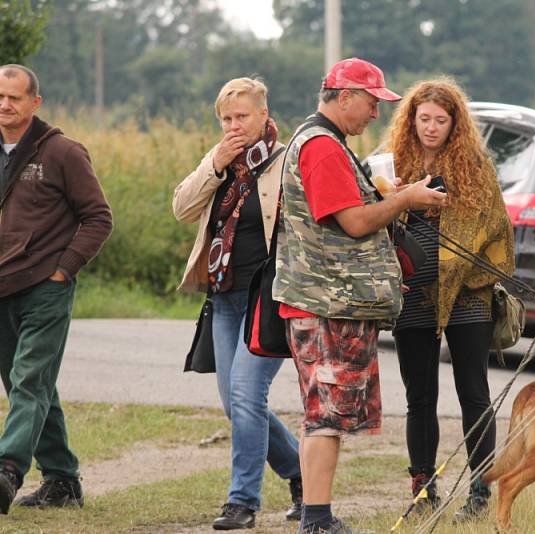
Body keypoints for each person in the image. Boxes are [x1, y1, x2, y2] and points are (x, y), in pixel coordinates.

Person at [273, 58, 447, 534]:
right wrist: (406, 200)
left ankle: (315, 514)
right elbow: (353, 222)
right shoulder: (324, 148)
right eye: (372, 102)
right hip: (328, 305)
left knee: (320, 416)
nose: (376, 114)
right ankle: (317, 519)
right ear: (344, 96)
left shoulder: (325, 143)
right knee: (326, 417)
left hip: (324, 301)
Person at [173, 77, 302, 530]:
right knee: (236, 404)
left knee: (248, 395)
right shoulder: (221, 161)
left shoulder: (288, 161)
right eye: (226, 119)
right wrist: (214, 163)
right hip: (224, 296)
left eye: (242, 117)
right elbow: (182, 208)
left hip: (268, 299)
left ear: (264, 115)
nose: (233, 126)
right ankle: (301, 471)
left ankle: (242, 502)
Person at [386, 78, 515, 522]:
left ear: (455, 122)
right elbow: (377, 221)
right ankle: (423, 489)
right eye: (424, 119)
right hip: (413, 292)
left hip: (468, 295)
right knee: (419, 396)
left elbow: (496, 228)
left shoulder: (474, 166)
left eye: (441, 120)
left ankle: (481, 490)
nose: (432, 127)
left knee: (473, 392)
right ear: (412, 119)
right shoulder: (394, 162)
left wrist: (456, 267)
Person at [0, 64, 113, 514]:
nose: (5, 104)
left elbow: (99, 218)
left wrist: (64, 269)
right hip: (2, 287)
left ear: (34, 103)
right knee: (27, 383)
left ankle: (7, 469)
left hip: (46, 287)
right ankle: (63, 479)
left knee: (29, 380)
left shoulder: (62, 152)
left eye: (14, 97)